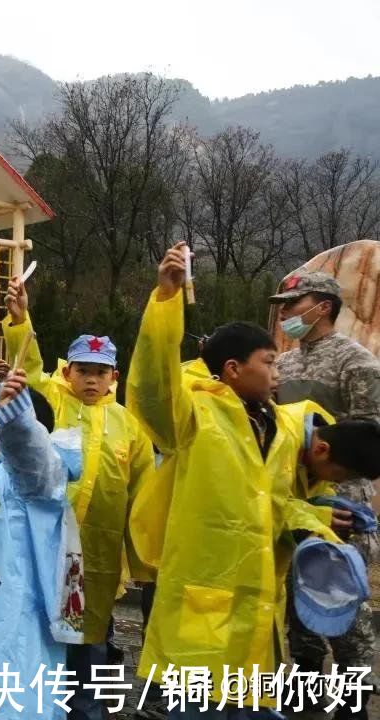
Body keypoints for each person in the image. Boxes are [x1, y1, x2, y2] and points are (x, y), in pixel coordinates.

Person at [127, 242, 370, 717]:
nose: (279, 371)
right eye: (270, 362)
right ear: (234, 370)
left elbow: (275, 502)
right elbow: (152, 387)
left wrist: (315, 520)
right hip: (201, 610)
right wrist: (165, 303)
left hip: (257, 619)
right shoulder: (194, 416)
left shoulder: (280, 428)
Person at [1, 276, 156, 720]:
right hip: (47, 543)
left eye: (100, 372)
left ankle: (89, 712)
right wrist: (20, 319)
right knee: (45, 627)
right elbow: (25, 370)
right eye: (83, 370)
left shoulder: (130, 426)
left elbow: (142, 493)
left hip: (100, 553)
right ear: (67, 371)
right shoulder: (50, 396)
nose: (91, 379)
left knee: (93, 635)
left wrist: (144, 559)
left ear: (114, 377)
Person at [269, 270, 380, 716]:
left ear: (323, 307)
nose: (285, 313)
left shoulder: (357, 363)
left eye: (293, 304)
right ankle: (306, 697)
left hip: (342, 501)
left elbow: (370, 438)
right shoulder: (284, 363)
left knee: (343, 604)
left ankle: (355, 698)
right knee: (300, 607)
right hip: (296, 498)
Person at [0, 373, 84, 720]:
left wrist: (16, 413)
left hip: (20, 612)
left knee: (18, 696)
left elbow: (28, 450)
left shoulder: (35, 475)